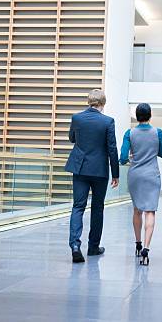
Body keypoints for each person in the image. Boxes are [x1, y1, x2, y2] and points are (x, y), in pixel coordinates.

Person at [65, 89, 119, 263]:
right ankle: (93, 246)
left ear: (89, 101)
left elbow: (72, 138)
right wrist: (116, 174)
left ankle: (75, 245)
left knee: (78, 206)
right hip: (99, 170)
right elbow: (112, 148)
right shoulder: (108, 121)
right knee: (97, 207)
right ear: (103, 104)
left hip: (80, 167)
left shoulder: (77, 118)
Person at [120, 103, 162, 266]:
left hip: (135, 175)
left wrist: (133, 155)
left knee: (137, 210)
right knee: (150, 211)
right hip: (152, 175)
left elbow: (122, 158)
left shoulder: (130, 133)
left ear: (136, 116)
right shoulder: (158, 132)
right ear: (150, 116)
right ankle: (146, 249)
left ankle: (138, 243)